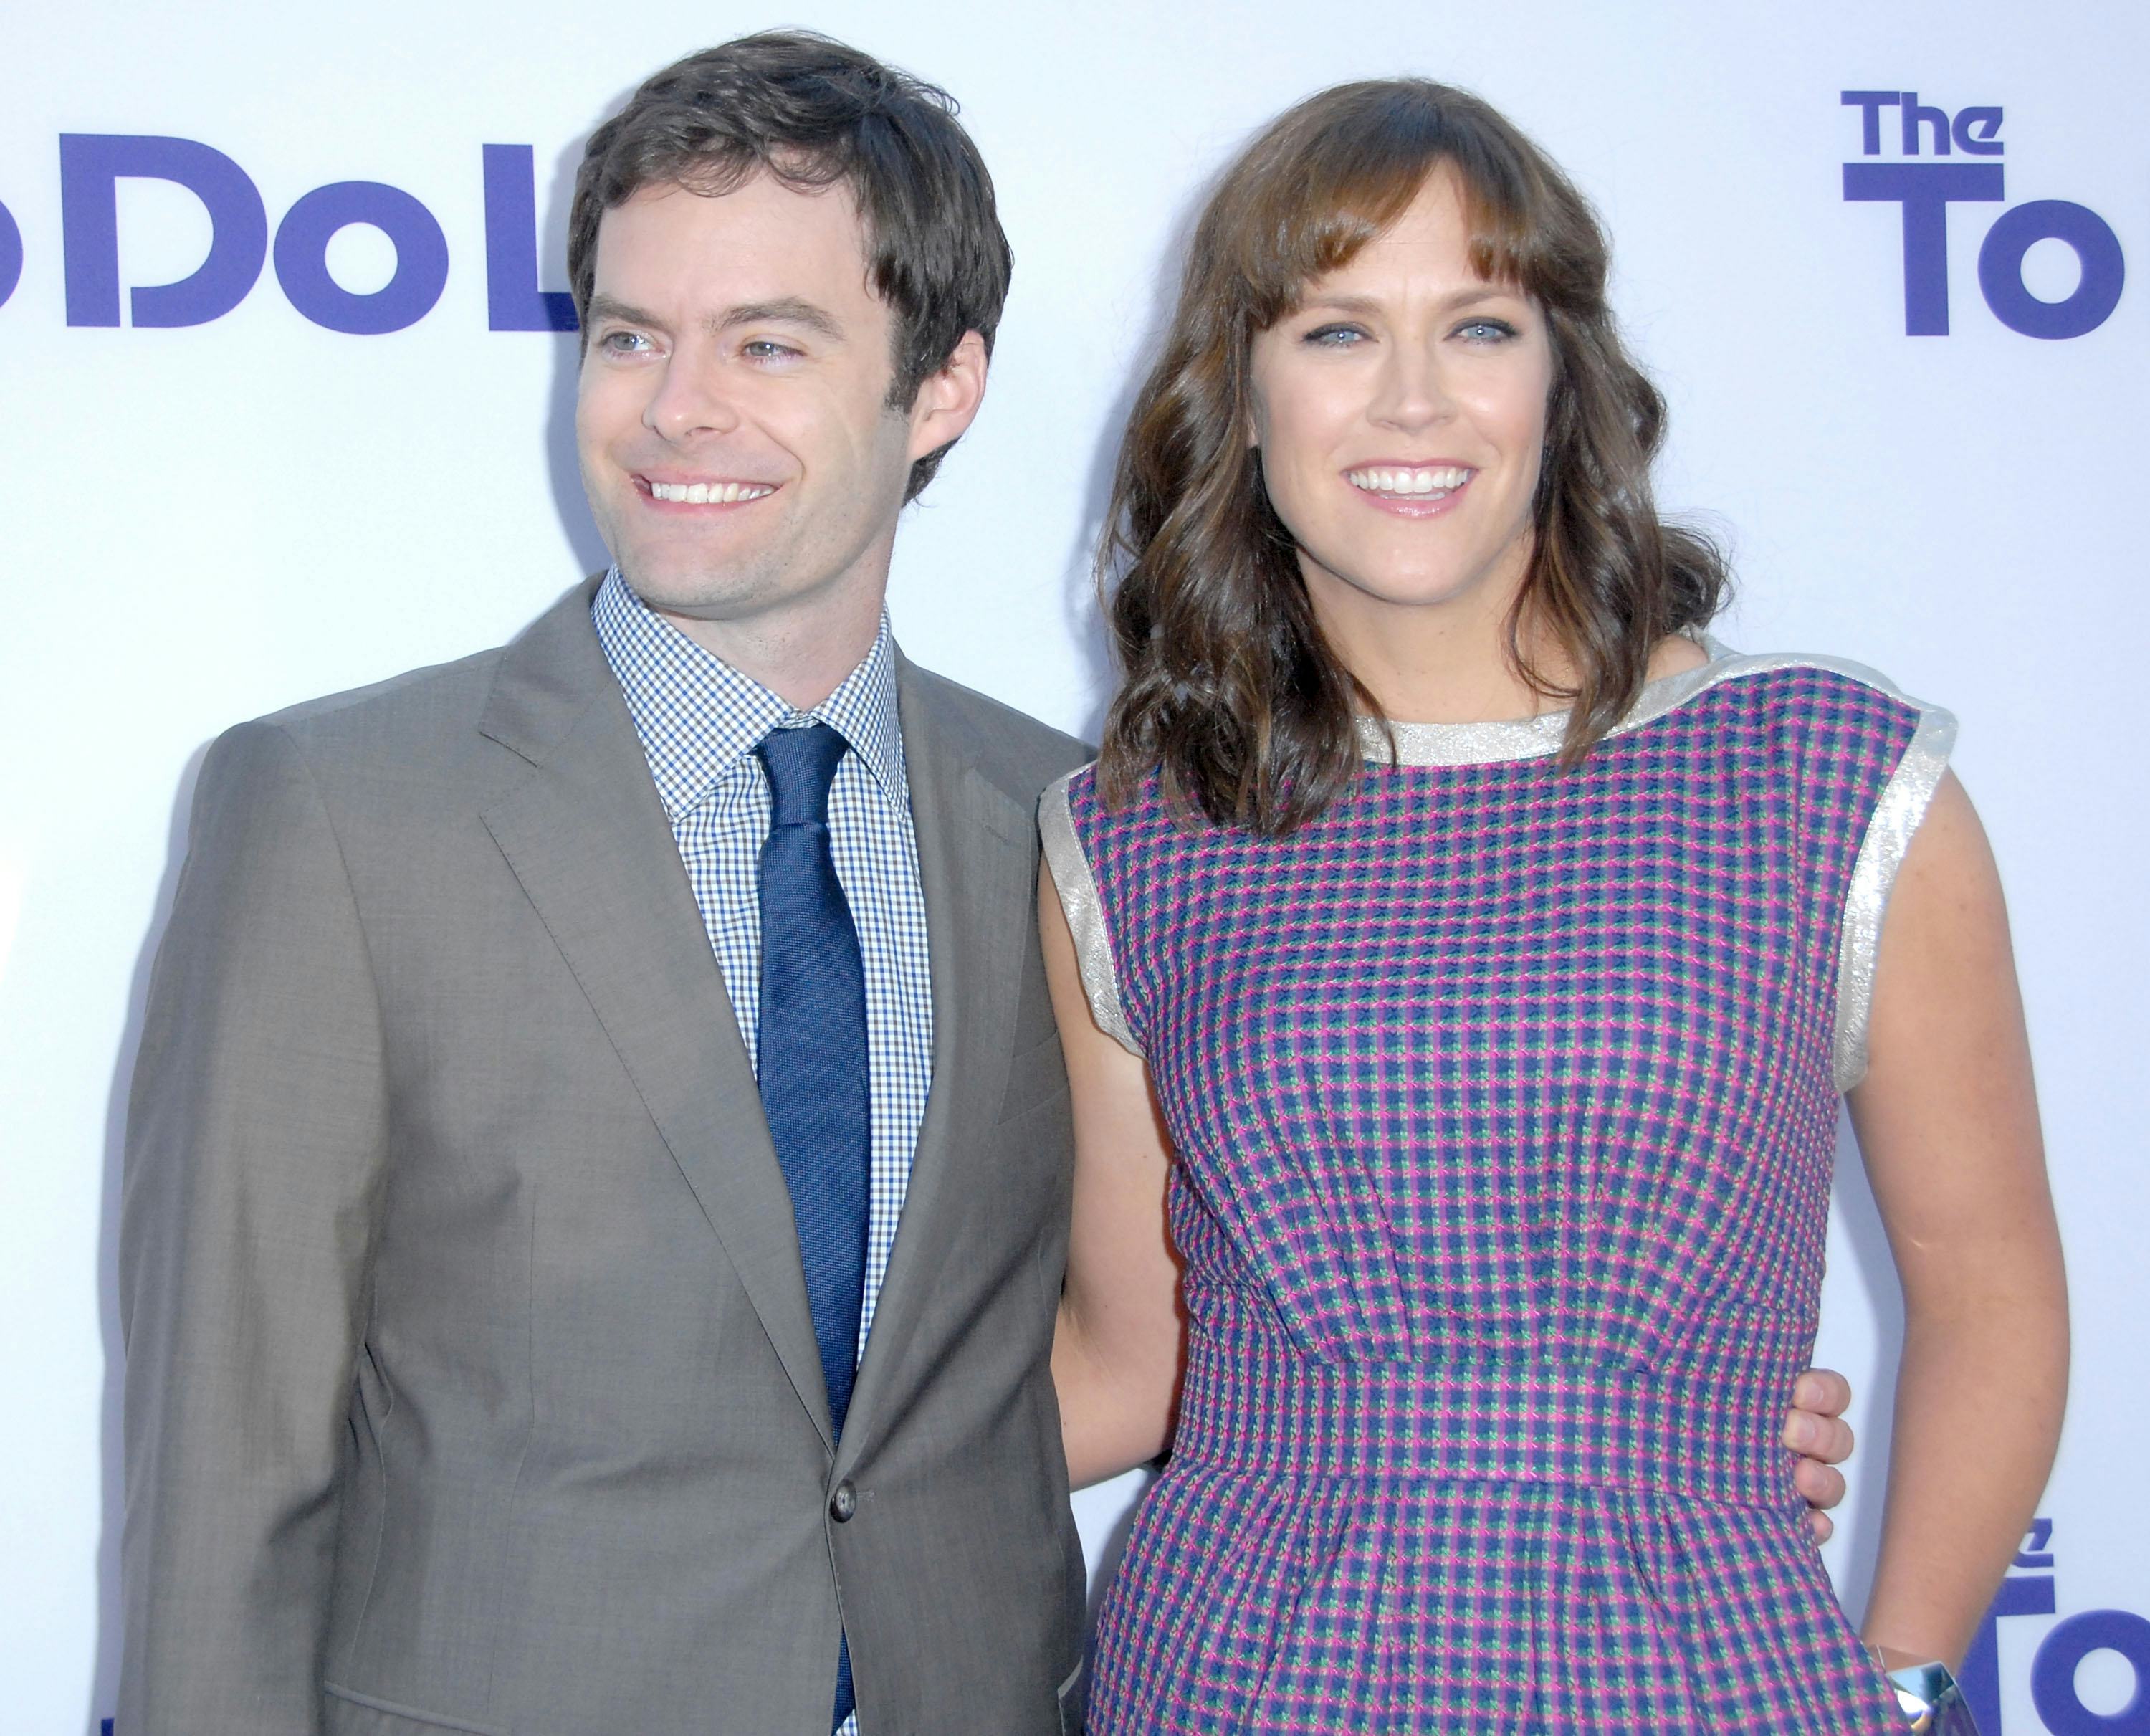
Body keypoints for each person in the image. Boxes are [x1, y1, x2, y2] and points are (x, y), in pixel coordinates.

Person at [117, 34, 1860, 1736]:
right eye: (630, 334)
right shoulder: (339, 816)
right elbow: (224, 1461)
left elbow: (1205, 1308)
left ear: (940, 383)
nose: (676, 408)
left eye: (768, 342)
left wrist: (1630, 1423)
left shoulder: (1093, 825)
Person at [1040, 77, 2066, 1732]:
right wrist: (740, 1473)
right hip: (1236, 1667)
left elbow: (1992, 1289)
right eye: (1335, 332)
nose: (1414, 401)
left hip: (1706, 1667)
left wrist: (1906, 1677)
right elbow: (1129, 1355)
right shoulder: (1136, 830)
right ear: (1237, 392)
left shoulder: (1828, 781)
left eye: (1480, 326)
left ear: (1563, 376)